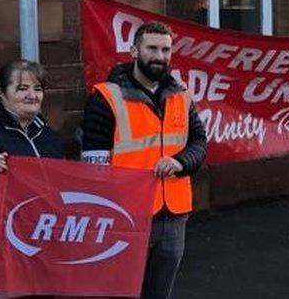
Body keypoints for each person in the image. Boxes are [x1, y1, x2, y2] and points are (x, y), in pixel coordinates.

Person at [80, 21, 207, 299]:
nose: (160, 56)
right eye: (152, 48)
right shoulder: (106, 98)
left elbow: (199, 142)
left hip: (173, 216)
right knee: (121, 291)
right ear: (134, 50)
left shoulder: (181, 94)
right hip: (126, 217)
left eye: (166, 49)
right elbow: (93, 167)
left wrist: (180, 162)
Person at [0, 60, 64, 279]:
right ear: (1, 93)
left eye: (38, 89)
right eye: (22, 88)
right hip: (0, 253)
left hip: (43, 249)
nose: (32, 95)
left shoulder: (50, 138)